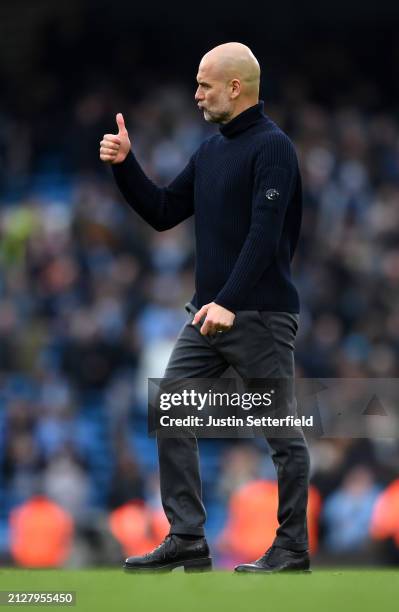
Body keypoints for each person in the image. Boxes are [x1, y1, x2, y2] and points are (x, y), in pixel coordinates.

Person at [100, 42, 310, 573]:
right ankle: (187, 536)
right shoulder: (213, 151)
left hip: (258, 313)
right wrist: (127, 167)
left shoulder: (274, 148)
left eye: (204, 85)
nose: (196, 95)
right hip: (210, 314)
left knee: (281, 434)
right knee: (171, 408)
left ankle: (291, 547)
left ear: (235, 88)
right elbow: (165, 211)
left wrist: (229, 302)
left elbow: (264, 239)